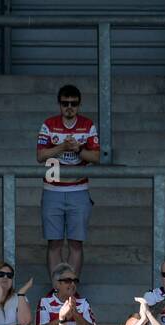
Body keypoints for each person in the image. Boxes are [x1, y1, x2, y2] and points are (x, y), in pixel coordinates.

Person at [37, 85, 101, 279]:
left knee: (76, 243)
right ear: (59, 104)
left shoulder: (88, 125)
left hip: (79, 189)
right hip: (52, 188)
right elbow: (40, 155)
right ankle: (58, 289)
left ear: (79, 104)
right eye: (65, 103)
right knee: (54, 243)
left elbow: (96, 157)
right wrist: (63, 146)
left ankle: (71, 288)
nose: (69, 107)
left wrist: (78, 150)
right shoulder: (49, 124)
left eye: (73, 104)